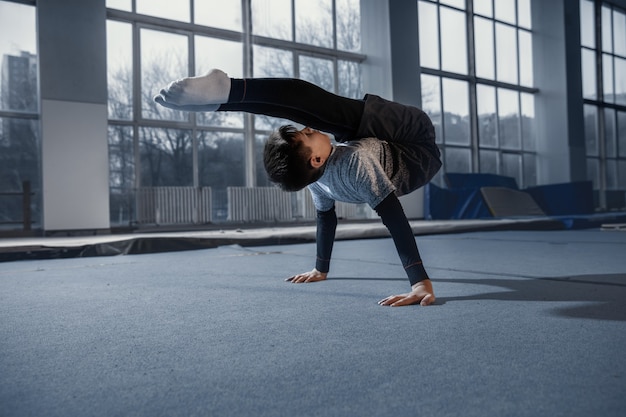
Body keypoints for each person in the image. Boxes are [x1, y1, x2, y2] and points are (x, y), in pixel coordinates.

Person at [154, 69, 442, 307]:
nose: (310, 128)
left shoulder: (318, 180)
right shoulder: (354, 163)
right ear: (316, 159)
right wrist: (418, 280)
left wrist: (320, 268)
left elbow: (325, 219)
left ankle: (220, 102)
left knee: (323, 114)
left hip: (389, 147)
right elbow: (393, 217)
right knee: (320, 105)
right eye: (308, 134)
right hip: (416, 145)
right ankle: (228, 92)